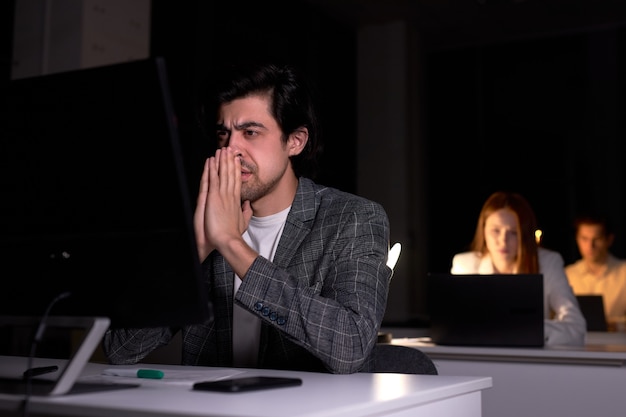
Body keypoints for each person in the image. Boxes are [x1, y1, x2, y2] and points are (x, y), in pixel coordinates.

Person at [102, 62, 393, 374]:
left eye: (250, 132)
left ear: (295, 141)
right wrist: (196, 250)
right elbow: (120, 349)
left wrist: (229, 244)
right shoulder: (202, 217)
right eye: (223, 134)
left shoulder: (354, 217)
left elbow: (351, 346)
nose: (230, 149)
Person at [450, 191, 586, 346]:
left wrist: (526, 329)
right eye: (496, 230)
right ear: (483, 230)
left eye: (513, 233)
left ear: (525, 235)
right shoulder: (465, 265)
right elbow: (455, 327)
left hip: (529, 363)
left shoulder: (548, 262)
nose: (503, 240)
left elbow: (576, 327)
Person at [565, 213, 626, 327]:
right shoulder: (568, 275)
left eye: (597, 239)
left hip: (617, 343)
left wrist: (615, 325)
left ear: (609, 240)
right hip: (576, 344)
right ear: (577, 239)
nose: (590, 246)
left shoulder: (623, 273)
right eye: (584, 239)